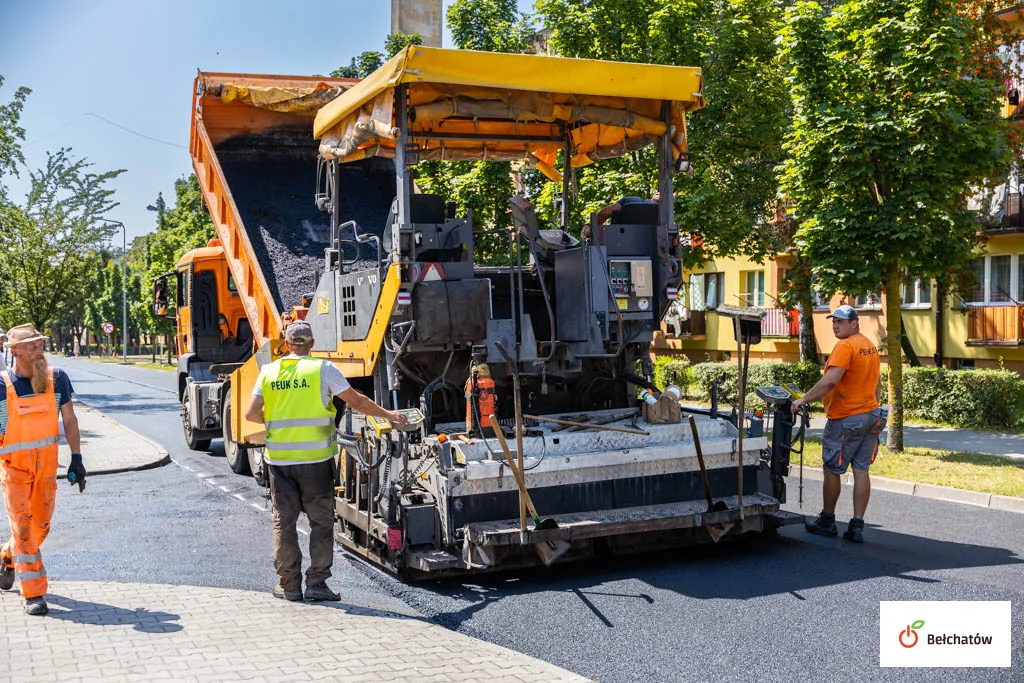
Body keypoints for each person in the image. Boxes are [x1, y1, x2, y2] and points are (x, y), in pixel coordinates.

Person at [245, 320, 408, 602]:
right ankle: (317, 584)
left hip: (280, 463)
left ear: (285, 343)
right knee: (321, 523)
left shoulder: (269, 372)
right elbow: (356, 401)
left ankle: (289, 586)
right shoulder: (323, 369)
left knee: (283, 524)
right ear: (311, 344)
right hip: (316, 462)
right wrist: (390, 416)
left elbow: (250, 414)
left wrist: (274, 423)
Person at [0, 323, 86, 616]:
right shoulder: (3, 386)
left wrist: (77, 458)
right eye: (33, 345)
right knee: (24, 529)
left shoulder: (57, 379)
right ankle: (34, 594)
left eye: (40, 344)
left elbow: (70, 420)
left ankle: (7, 554)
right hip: (14, 472)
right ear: (16, 352)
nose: (40, 349)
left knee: (40, 527)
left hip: (47, 470)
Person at [791, 304, 883, 543]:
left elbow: (831, 381)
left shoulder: (845, 346)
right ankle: (856, 525)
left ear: (854, 323)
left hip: (846, 418)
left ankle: (828, 520)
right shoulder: (868, 346)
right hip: (871, 416)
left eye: (841, 322)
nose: (835, 325)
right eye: (834, 321)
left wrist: (803, 399)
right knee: (861, 470)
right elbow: (876, 383)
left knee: (832, 468)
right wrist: (872, 406)